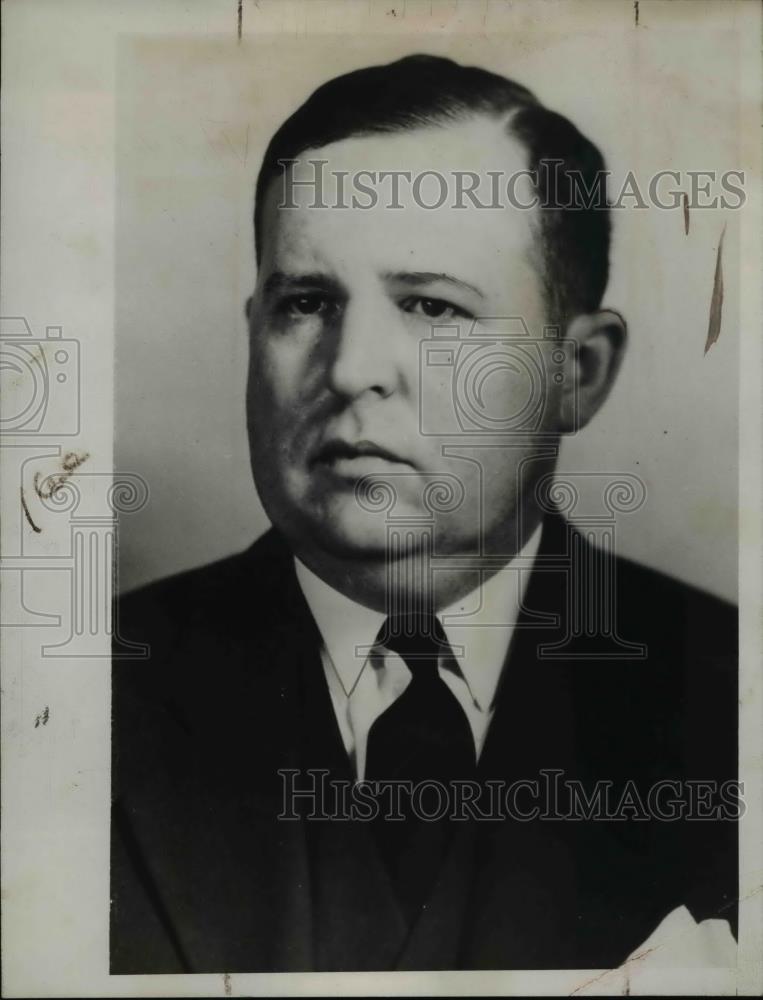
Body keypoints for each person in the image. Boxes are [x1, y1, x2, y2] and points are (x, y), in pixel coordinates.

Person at [110, 54, 737, 973]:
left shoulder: (729, 698)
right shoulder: (74, 696)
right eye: (306, 303)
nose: (352, 366)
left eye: (433, 307)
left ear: (577, 373)